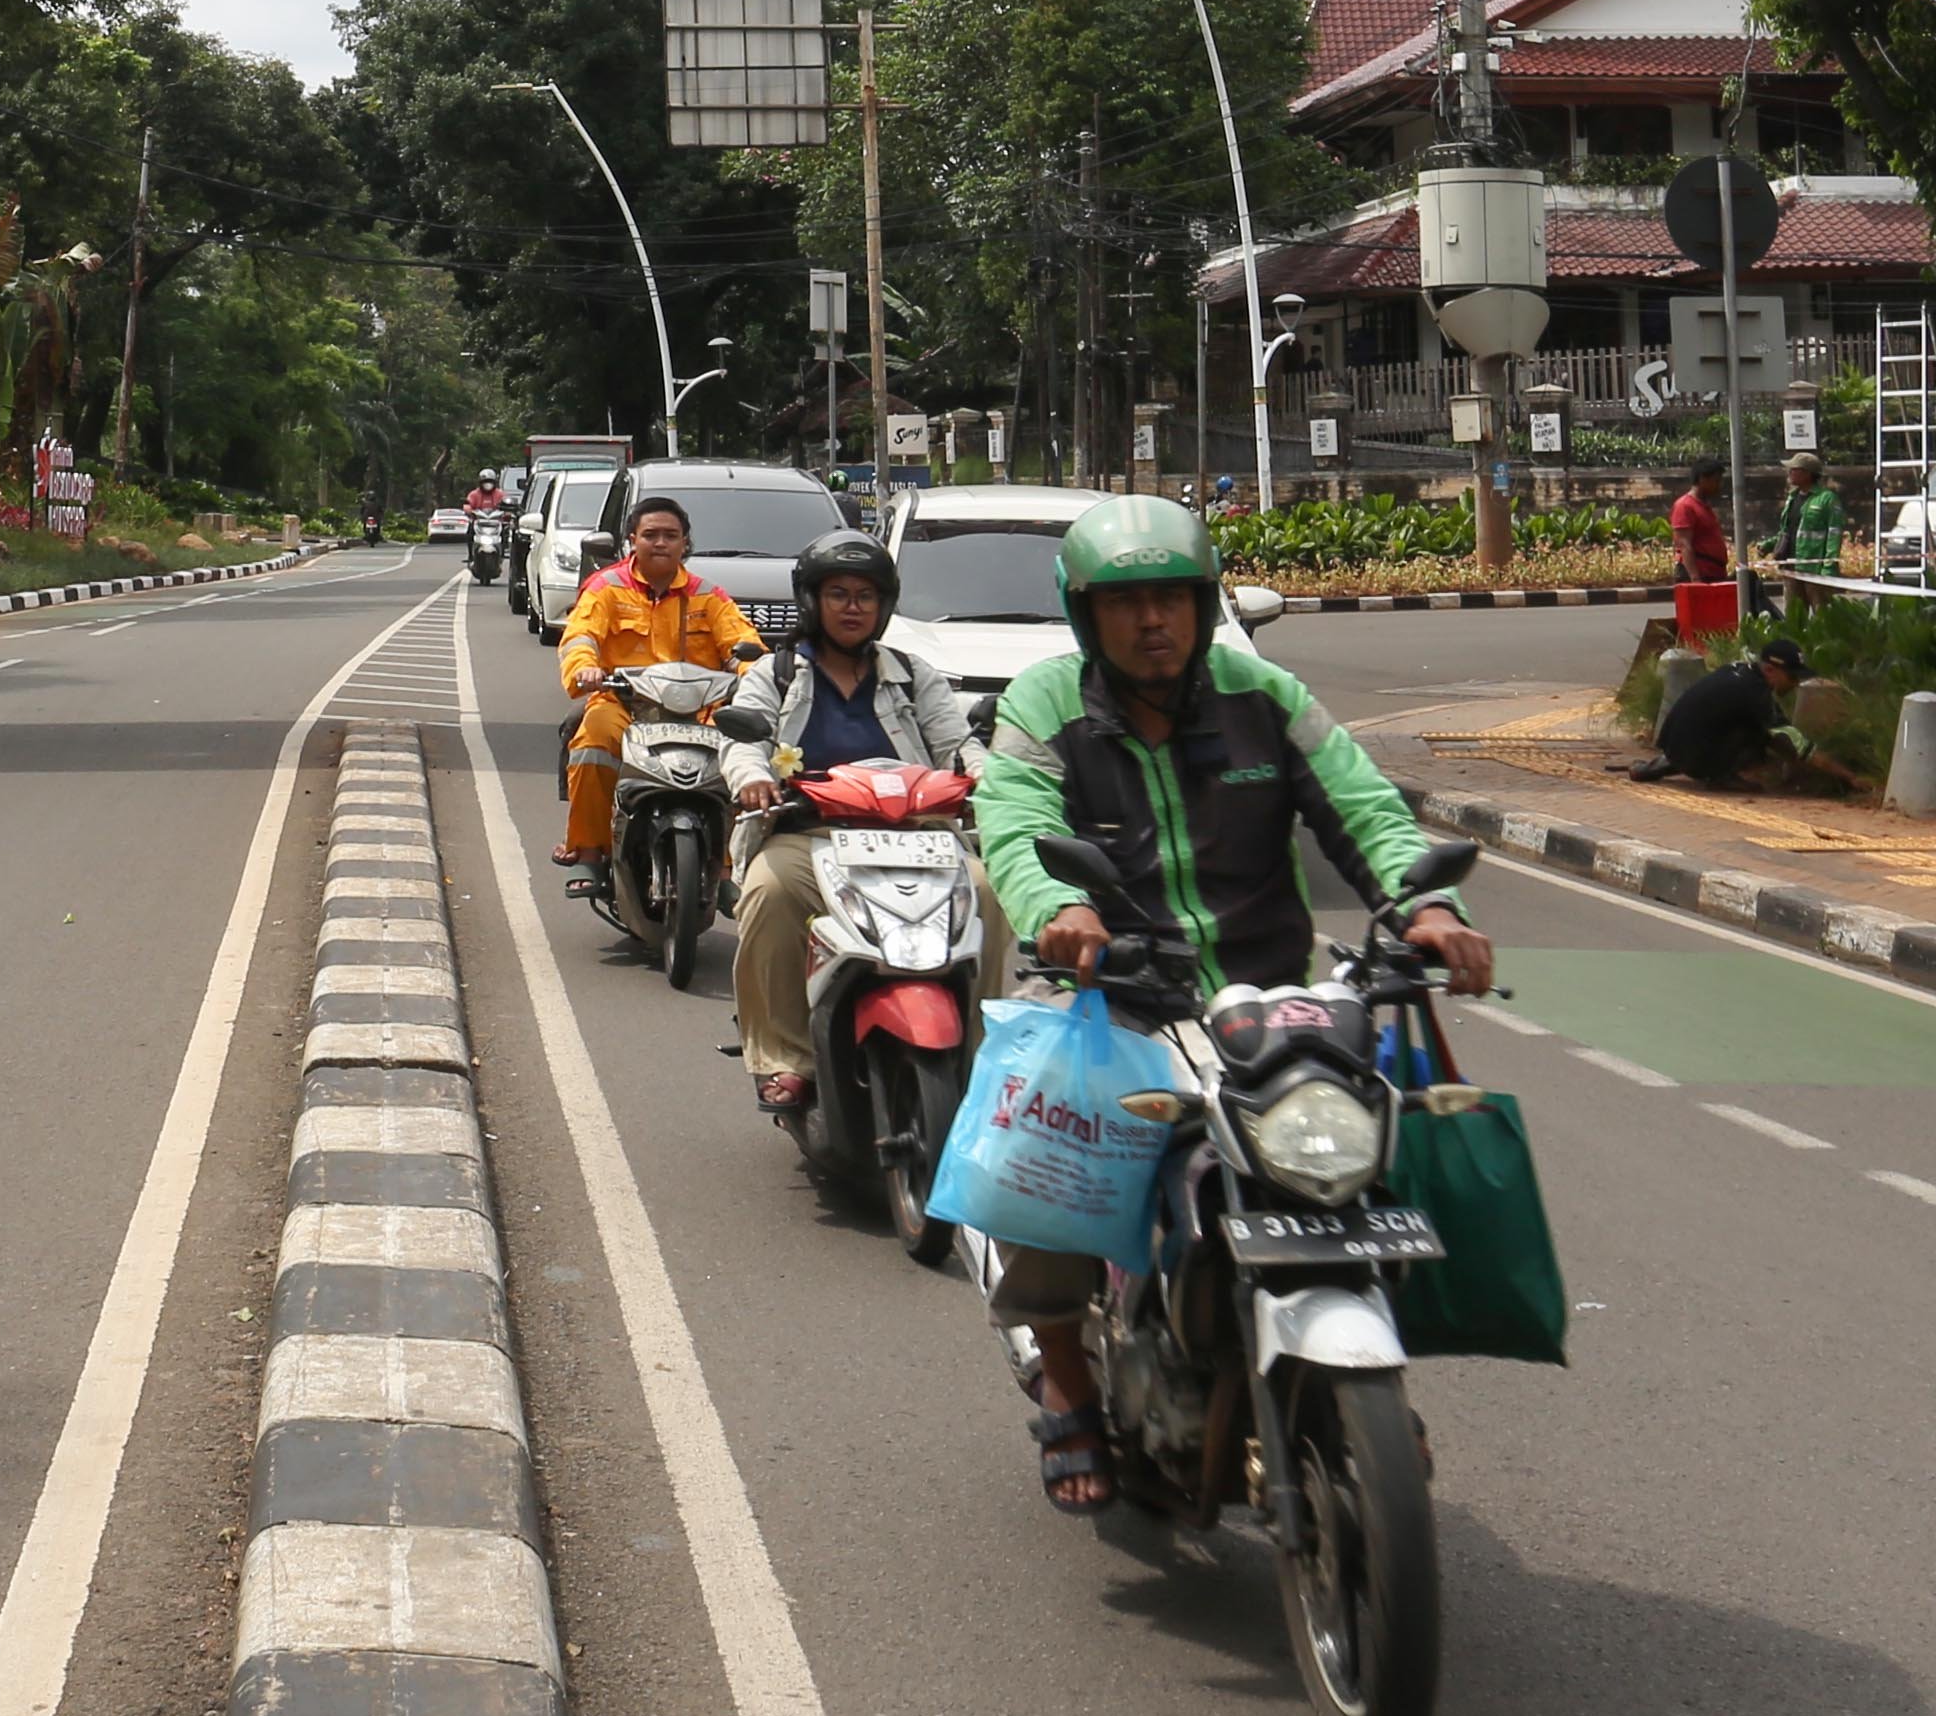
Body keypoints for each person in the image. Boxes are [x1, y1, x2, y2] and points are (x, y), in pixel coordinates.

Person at [966, 497, 1496, 1515]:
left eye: (1172, 599)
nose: (1152, 621)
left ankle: (1366, 1361)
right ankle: (1067, 1379)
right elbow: (1018, 820)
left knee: (1382, 1143)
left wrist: (1426, 907)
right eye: (1126, 604)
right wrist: (1060, 910)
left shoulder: (1263, 694)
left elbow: (1364, 809)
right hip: (1112, 988)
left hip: (1271, 996)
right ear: (1085, 615)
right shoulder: (1045, 702)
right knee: (1044, 1150)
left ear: (1205, 605)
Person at [710, 529, 998, 1118]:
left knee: (987, 891)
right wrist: (753, 778)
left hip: (916, 836)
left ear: (883, 606)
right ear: (812, 601)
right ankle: (786, 1057)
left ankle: (979, 1053)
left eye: (866, 596)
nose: (852, 607)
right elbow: (744, 739)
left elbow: (957, 743)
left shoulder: (914, 675)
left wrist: (984, 777)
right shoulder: (776, 674)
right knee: (767, 891)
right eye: (838, 594)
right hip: (810, 836)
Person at [554, 490, 762, 865]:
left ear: (685, 543)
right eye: (651, 535)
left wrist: (756, 677)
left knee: (742, 750)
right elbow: (580, 636)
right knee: (592, 743)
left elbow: (741, 644)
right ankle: (588, 850)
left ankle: (728, 864)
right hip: (624, 705)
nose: (661, 543)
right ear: (633, 540)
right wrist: (585, 667)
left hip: (698, 712)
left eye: (670, 535)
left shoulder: (708, 595)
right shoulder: (606, 588)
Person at [1636, 639, 1806, 790]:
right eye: (1792, 677)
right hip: (1694, 755)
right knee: (1757, 731)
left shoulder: (1740, 671)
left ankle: (1659, 766)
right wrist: (1814, 766)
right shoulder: (1756, 692)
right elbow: (1788, 738)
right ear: (1769, 669)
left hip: (1675, 748)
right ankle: (1721, 777)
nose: (1796, 684)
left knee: (1725, 722)